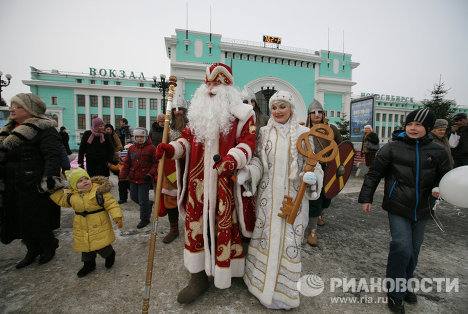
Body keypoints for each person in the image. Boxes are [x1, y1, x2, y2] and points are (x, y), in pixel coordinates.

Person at [155, 63, 256, 303]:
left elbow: (249, 143)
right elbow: (187, 141)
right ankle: (197, 275)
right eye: (208, 82)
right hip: (198, 184)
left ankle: (229, 269)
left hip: (225, 181)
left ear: (228, 86)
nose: (210, 87)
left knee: (225, 225)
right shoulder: (198, 113)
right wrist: (172, 149)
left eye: (216, 83)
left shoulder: (243, 114)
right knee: (196, 227)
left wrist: (233, 159)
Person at [358, 108, 451, 313]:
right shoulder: (391, 147)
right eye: (410, 124)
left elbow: (446, 178)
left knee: (414, 251)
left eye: (418, 125)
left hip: (424, 208)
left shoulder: (439, 150)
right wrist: (366, 197)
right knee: (401, 247)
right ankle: (395, 293)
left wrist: (439, 190)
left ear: (427, 127)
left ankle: (405, 284)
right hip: (398, 205)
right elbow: (374, 174)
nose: (413, 128)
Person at [241, 91, 323, 309]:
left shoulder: (304, 134)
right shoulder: (264, 133)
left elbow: (314, 163)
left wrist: (312, 177)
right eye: (274, 107)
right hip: (268, 199)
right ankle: (258, 286)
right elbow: (258, 160)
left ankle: (285, 294)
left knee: (290, 241)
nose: (277, 111)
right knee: (266, 238)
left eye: (282, 106)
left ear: (291, 108)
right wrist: (249, 173)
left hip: (293, 200)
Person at [0, 93, 63, 268]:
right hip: (13, 183)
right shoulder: (7, 131)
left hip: (34, 184)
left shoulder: (44, 129)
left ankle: (48, 245)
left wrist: (48, 180)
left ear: (31, 109)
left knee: (37, 218)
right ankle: (31, 249)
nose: (12, 108)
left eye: (18, 106)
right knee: (20, 218)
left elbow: (52, 155)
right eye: (12, 105)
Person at [50, 167, 123, 277]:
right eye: (80, 181)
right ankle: (89, 265)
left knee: (101, 245)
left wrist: (117, 217)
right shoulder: (71, 195)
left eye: (86, 179)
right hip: (81, 224)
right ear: (74, 185)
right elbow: (61, 200)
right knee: (86, 247)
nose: (85, 181)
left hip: (98, 223)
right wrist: (53, 190)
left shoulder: (99, 191)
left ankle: (109, 255)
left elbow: (112, 204)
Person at [305, 99, 342, 246]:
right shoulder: (305, 131)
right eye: (313, 112)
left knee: (327, 196)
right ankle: (312, 231)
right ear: (309, 115)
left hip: (329, 168)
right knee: (315, 198)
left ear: (323, 114)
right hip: (313, 168)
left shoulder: (332, 129)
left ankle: (321, 212)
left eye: (319, 112)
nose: (316, 114)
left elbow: (341, 148)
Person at [160, 105, 188, 244]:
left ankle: (192, 229)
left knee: (190, 199)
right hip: (169, 168)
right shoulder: (167, 129)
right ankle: (174, 229)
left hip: (187, 167)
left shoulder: (191, 128)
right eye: (175, 112)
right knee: (170, 200)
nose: (178, 113)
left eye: (180, 111)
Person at [119, 127, 157, 229]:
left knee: (142, 200)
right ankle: (148, 204)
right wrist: (122, 175)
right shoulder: (132, 148)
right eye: (137, 137)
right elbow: (127, 163)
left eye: (141, 137)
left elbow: (156, 163)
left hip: (144, 179)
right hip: (133, 177)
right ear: (134, 137)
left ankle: (145, 219)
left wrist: (150, 174)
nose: (139, 139)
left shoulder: (151, 148)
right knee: (134, 197)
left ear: (145, 137)